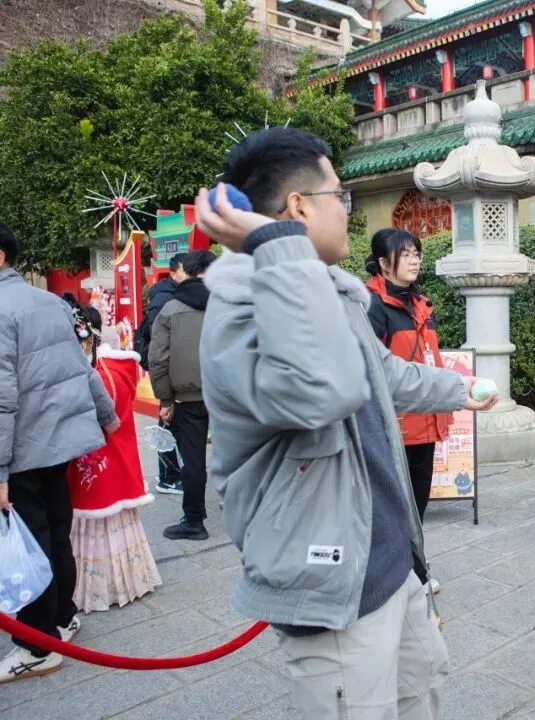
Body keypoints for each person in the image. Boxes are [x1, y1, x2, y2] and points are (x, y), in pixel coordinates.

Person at [196, 126, 497, 719]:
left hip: (388, 559)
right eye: (341, 196)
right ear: (299, 207)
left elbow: (381, 373)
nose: (348, 211)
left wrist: (457, 389)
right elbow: (324, 392)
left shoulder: (329, 293)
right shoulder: (242, 309)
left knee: (418, 693)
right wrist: (279, 247)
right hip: (331, 581)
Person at [0, 222, 119, 683]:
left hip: (23, 446)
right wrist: (107, 414)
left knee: (28, 546)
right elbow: (82, 366)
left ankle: (37, 645)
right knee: (55, 532)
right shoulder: (50, 302)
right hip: (57, 442)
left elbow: (3, 398)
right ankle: (63, 617)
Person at [365, 229, 452, 595]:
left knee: (417, 506)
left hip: (425, 421)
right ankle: (405, 576)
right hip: (394, 425)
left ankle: (412, 571)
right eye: (405, 254)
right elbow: (371, 369)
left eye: (416, 252)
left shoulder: (420, 304)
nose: (414, 259)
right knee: (394, 509)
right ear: (383, 263)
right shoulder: (372, 306)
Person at [67, 307, 161, 612]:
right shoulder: (119, 369)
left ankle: (96, 588)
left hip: (94, 457)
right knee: (121, 525)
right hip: (120, 455)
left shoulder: (92, 374)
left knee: (92, 526)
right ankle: (131, 580)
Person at [148, 250, 215, 541]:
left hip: (188, 398)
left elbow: (158, 359)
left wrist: (165, 400)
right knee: (239, 455)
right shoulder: (228, 303)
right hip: (228, 395)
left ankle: (194, 521)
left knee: (193, 459)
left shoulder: (170, 310)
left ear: (186, 272)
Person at [135, 253, 187, 495]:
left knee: (171, 422)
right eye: (186, 270)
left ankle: (171, 475)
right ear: (173, 272)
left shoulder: (173, 294)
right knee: (168, 423)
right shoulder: (164, 298)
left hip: (174, 369)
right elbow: (161, 343)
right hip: (168, 369)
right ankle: (167, 478)